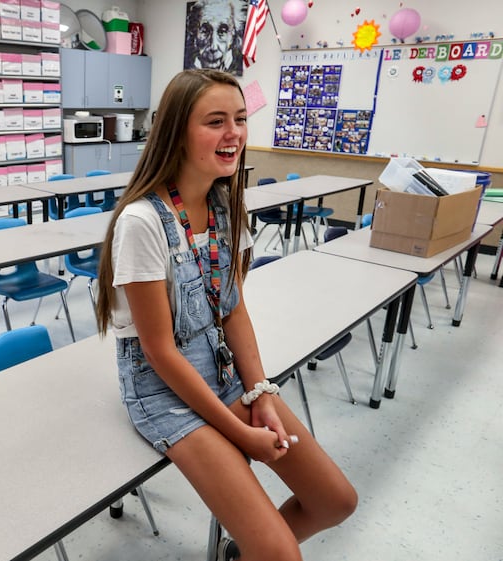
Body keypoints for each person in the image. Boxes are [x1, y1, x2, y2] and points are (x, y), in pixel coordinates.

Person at [95, 69, 357, 561]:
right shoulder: (142, 222)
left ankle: (239, 554)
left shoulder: (225, 206)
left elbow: (232, 312)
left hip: (222, 373)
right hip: (162, 389)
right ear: (176, 131)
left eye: (239, 118)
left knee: (336, 501)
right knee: (281, 555)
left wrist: (259, 394)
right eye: (215, 121)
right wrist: (242, 435)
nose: (234, 133)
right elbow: (160, 352)